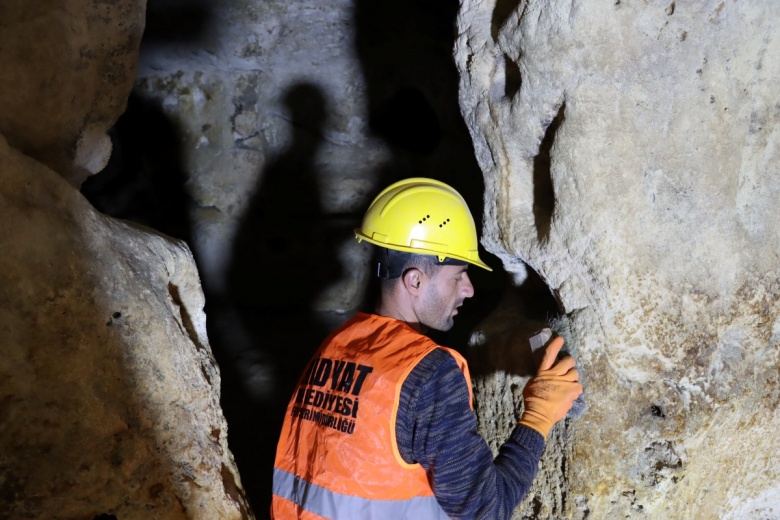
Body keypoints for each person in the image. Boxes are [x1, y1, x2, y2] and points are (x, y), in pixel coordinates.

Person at [271, 177, 583, 519]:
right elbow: (485, 510)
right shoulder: (428, 375)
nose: (469, 290)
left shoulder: (337, 345)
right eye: (458, 275)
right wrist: (539, 418)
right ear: (415, 281)